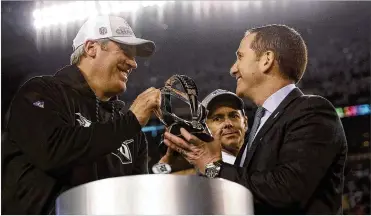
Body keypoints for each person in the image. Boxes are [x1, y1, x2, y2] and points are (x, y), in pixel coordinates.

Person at [162, 24, 348, 214]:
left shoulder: (312, 111)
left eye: (240, 57)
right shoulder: (259, 127)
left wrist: (212, 166)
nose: (233, 69)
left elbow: (286, 191)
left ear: (266, 60)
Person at [1, 15, 161, 214]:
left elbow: (137, 200)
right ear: (91, 48)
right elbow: (52, 150)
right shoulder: (41, 92)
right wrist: (129, 122)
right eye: (126, 50)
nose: (134, 63)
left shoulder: (133, 134)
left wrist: (167, 166)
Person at [158, 89, 248, 175]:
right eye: (217, 119)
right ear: (205, 129)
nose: (228, 123)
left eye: (234, 116)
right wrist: (162, 169)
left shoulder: (259, 155)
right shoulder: (205, 163)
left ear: (245, 123)